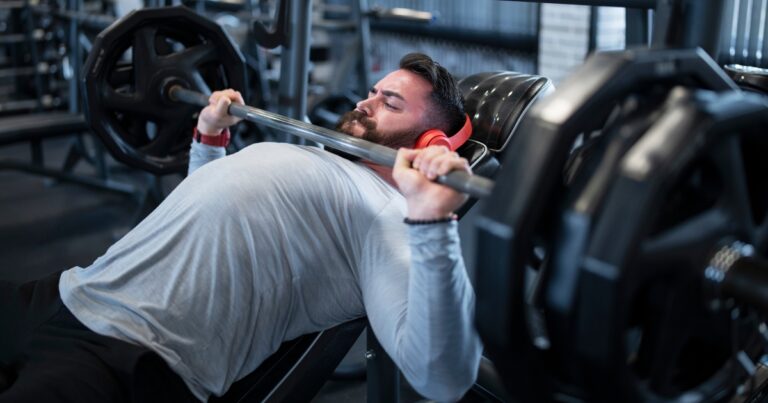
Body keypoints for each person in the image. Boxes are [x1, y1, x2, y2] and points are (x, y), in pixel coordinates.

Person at [0, 53, 482, 402]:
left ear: (429, 141)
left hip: (126, 355)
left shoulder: (387, 212)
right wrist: (210, 139)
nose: (365, 101)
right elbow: (200, 218)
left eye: (389, 102)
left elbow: (443, 377)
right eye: (373, 91)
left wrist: (432, 221)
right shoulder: (318, 155)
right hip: (64, 292)